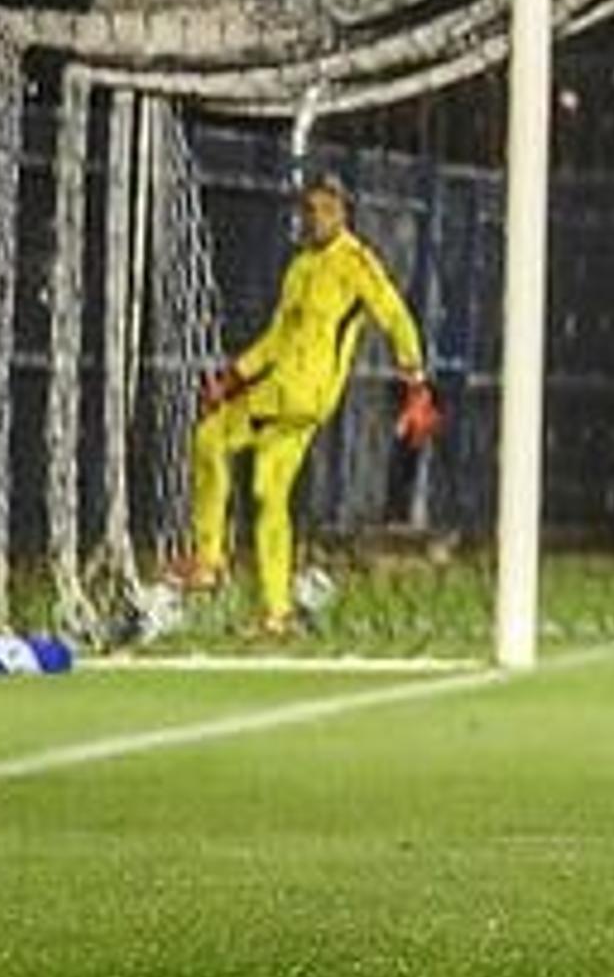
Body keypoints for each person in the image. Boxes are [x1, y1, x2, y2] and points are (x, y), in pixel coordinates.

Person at [184, 174, 436, 641]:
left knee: (211, 438)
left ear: (343, 213)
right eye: (311, 208)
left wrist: (415, 381)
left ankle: (210, 560)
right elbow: (278, 337)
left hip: (303, 393)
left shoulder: (354, 262)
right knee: (267, 494)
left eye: (326, 208)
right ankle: (277, 613)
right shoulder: (300, 266)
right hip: (283, 390)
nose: (316, 217)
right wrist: (236, 375)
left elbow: (394, 315)